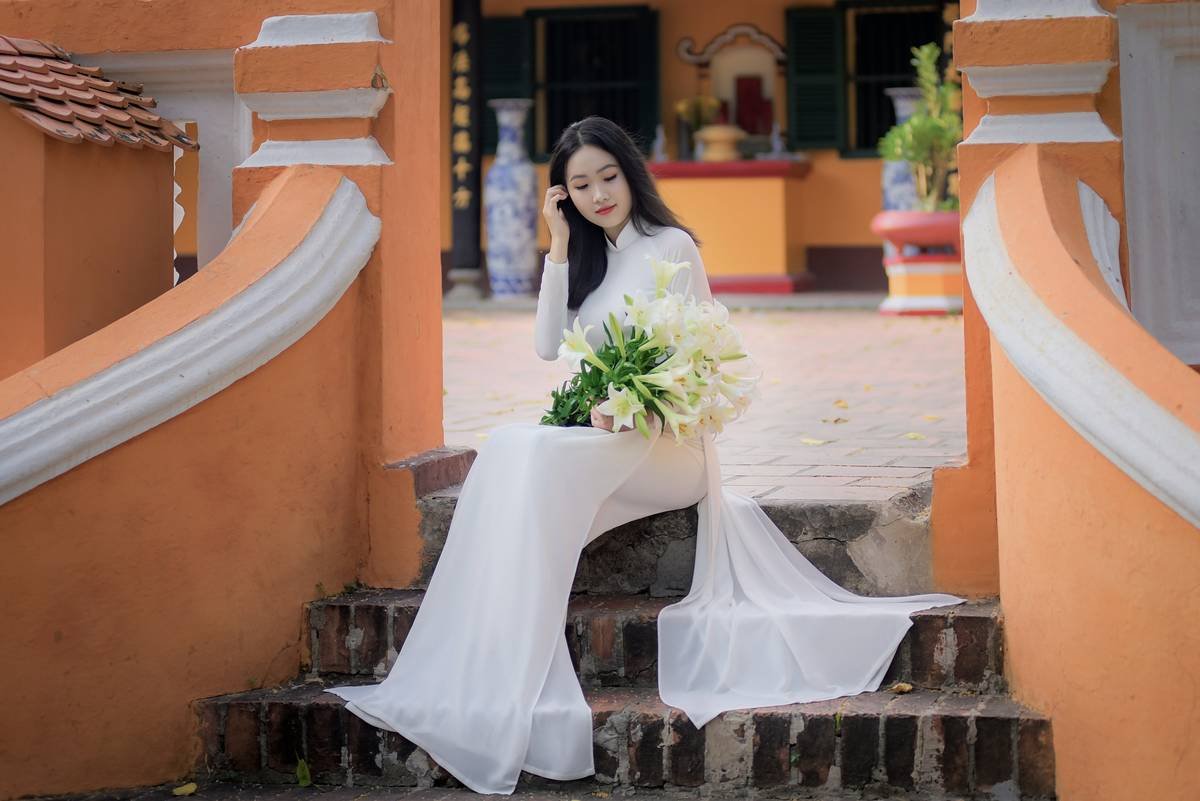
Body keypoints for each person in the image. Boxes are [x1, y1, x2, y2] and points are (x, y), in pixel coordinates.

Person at [325, 116, 961, 795]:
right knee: (512, 446)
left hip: (671, 450)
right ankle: (492, 669)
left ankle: (511, 671)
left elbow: (696, 368)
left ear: (629, 173)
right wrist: (560, 245)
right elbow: (548, 347)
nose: (599, 194)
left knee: (538, 457)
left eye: (607, 177)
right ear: (564, 196)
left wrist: (636, 405)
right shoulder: (589, 256)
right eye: (580, 185)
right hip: (610, 442)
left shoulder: (671, 246)